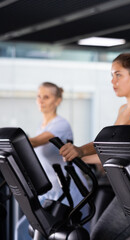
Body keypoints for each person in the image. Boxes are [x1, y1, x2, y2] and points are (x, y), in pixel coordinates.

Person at [59, 53, 130, 240]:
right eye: (112, 75)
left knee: (100, 236)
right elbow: (110, 151)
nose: (113, 81)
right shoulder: (123, 110)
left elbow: (116, 139)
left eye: (118, 75)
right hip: (126, 188)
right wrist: (78, 157)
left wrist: (81, 150)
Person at [15, 82, 88, 240]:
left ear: (57, 100)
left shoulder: (60, 124)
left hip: (70, 191)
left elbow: (34, 142)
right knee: (23, 230)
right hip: (50, 192)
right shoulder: (41, 126)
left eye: (46, 97)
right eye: (39, 96)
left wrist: (13, 141)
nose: (41, 100)